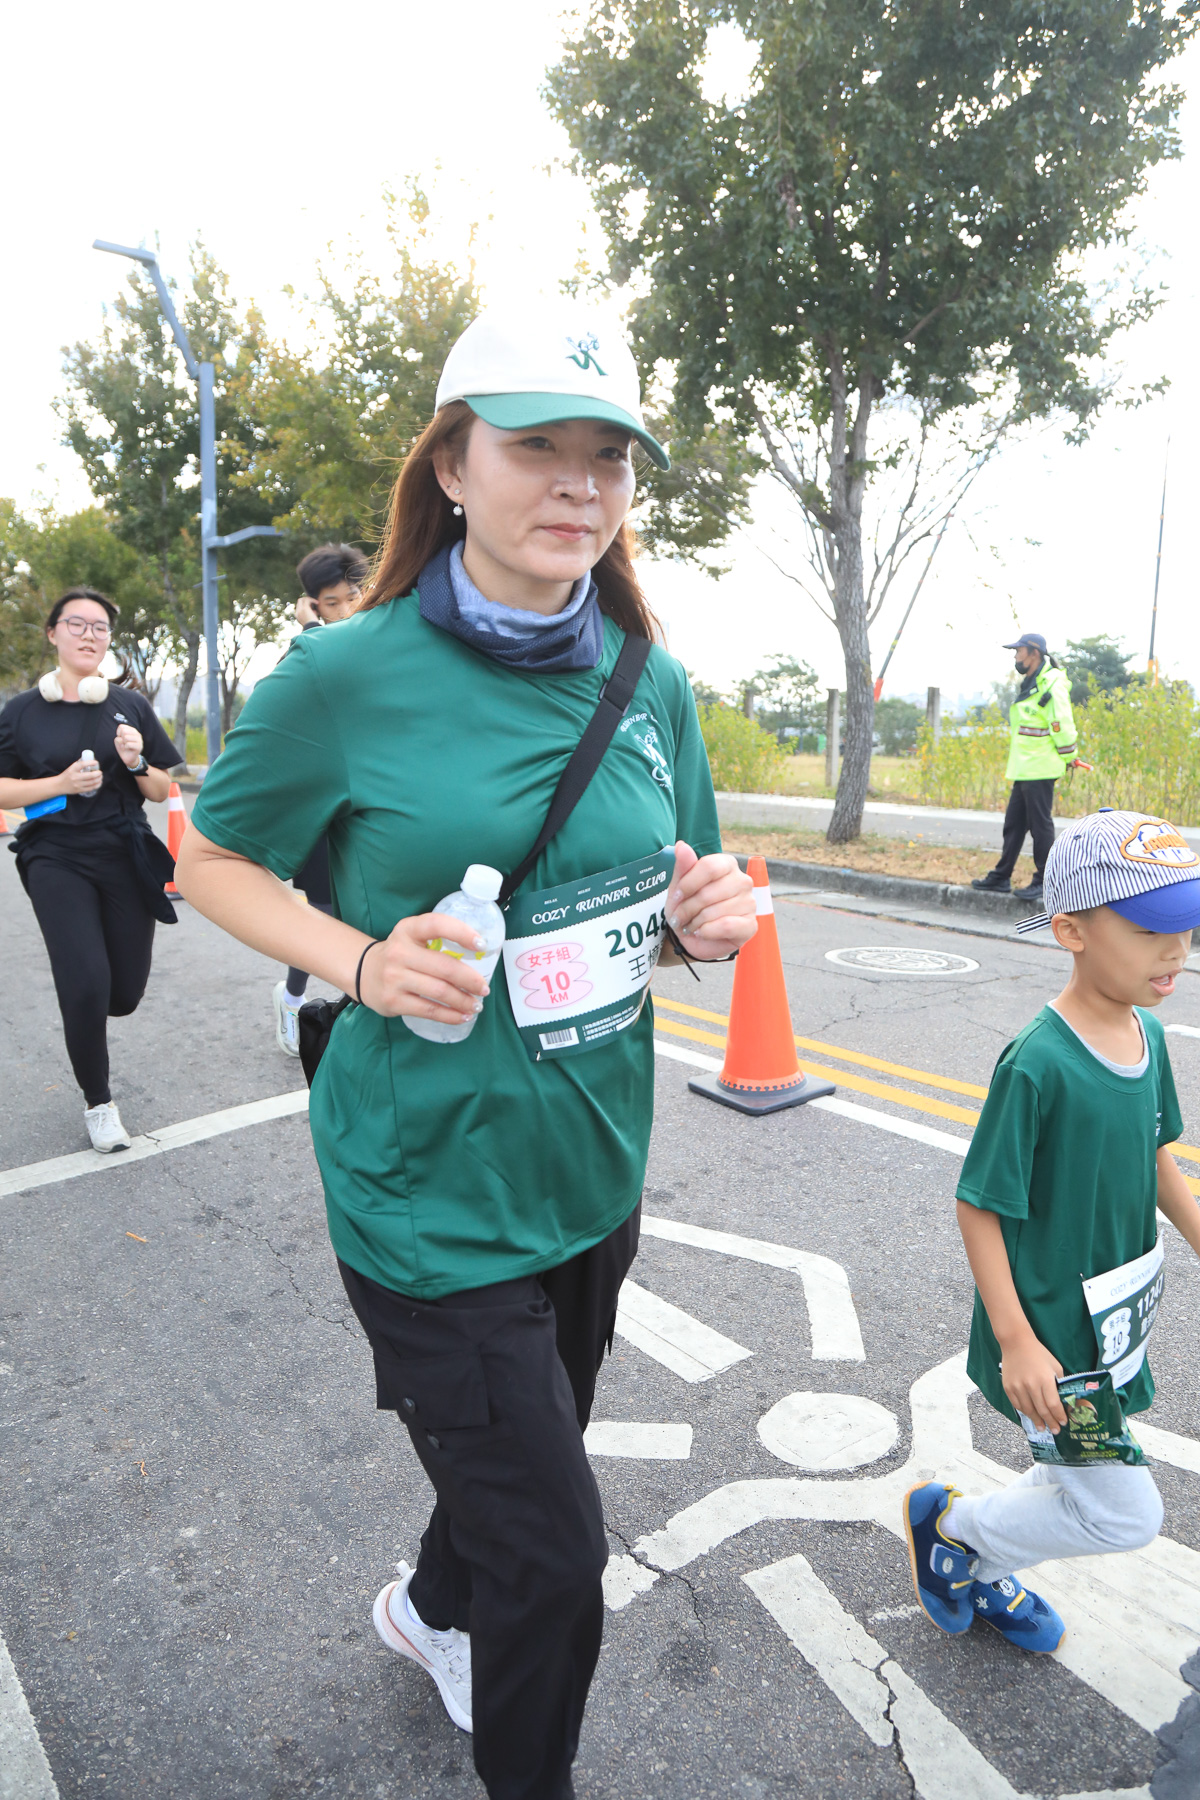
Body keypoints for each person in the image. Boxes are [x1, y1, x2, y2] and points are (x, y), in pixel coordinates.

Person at [176, 301, 757, 1800]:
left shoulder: (648, 678)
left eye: (608, 458)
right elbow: (212, 859)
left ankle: (428, 1609)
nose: (579, 484)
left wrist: (703, 925)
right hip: (426, 1191)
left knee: (524, 1458)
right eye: (535, 447)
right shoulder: (344, 675)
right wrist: (363, 963)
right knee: (554, 1560)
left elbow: (670, 894)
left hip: (590, 1170)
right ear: (450, 466)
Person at [905, 810, 1200, 1652]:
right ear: (1071, 931)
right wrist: (1016, 1342)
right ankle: (956, 1532)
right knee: (1125, 1515)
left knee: (1072, 1477)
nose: (1176, 951)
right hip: (1052, 1336)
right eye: (1149, 930)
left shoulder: (1146, 1032)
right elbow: (979, 1204)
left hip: (1117, 1315)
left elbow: (1153, 1151)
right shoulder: (1038, 1060)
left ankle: (973, 1558)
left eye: (1185, 928)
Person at [0, 588, 181, 1151]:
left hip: (124, 851)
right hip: (55, 854)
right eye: (76, 624)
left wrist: (136, 761)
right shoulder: (22, 712)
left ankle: (91, 1004)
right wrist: (58, 784)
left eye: (100, 627)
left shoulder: (130, 707)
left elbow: (161, 789)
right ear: (53, 633)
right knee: (85, 981)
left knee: (122, 994)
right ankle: (99, 1103)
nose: (89, 635)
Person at [272, 543, 367, 1056]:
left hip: (374, 802)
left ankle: (362, 1011)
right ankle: (293, 998)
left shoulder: (382, 638)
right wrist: (311, 630)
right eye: (332, 603)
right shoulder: (302, 653)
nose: (347, 609)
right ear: (310, 604)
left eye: (354, 596)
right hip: (323, 809)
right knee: (323, 912)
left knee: (371, 908)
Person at [972, 632, 1078, 903]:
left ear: (1034, 653)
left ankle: (1045, 881)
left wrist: (1069, 755)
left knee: (1040, 826)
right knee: (1014, 824)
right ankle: (1001, 876)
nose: (1016, 657)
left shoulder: (1051, 683)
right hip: (1025, 766)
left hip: (1041, 766)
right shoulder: (1033, 682)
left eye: (1019, 651)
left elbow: (1062, 722)